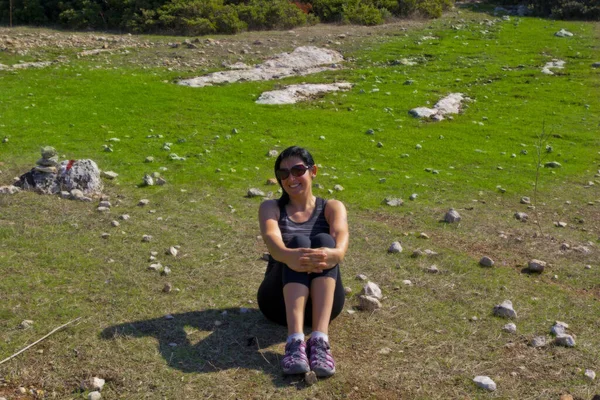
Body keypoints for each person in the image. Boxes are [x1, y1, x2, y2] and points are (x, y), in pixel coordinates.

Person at [257, 146, 349, 378]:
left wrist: (326, 255)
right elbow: (273, 243)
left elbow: (340, 247)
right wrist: (293, 257)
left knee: (324, 240)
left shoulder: (332, 207)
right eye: (284, 174)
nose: (291, 178)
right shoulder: (271, 208)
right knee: (297, 241)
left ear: (313, 171)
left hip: (326, 305)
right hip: (278, 304)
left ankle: (319, 340)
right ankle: (294, 342)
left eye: (298, 170)